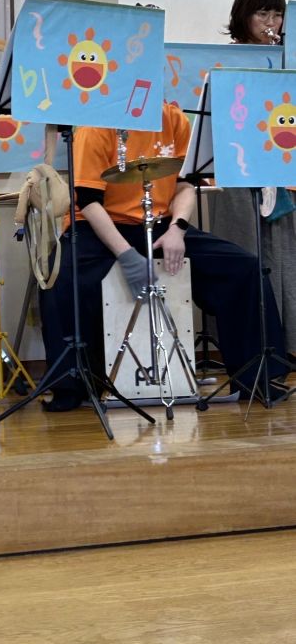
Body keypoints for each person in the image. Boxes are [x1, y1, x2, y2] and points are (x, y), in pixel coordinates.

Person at [39, 101, 289, 411]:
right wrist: (127, 256)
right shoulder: (96, 124)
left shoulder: (175, 119)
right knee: (61, 279)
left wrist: (178, 229)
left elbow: (186, 183)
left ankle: (255, 377)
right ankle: (69, 386)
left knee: (243, 268)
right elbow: (89, 201)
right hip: (98, 225)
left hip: (160, 224)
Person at [209, 0, 296, 353]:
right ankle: (246, 347)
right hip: (236, 171)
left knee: (286, 258)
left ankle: (286, 346)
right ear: (243, 16)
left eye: (277, 14)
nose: (271, 22)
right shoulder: (222, 61)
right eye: (262, 13)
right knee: (242, 252)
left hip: (282, 168)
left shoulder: (290, 61)